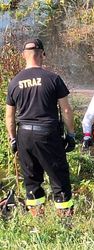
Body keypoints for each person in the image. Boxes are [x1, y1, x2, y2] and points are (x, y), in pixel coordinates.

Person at [5, 38, 76, 217]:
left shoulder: (14, 82)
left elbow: (10, 117)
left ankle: (37, 218)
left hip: (24, 136)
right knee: (59, 178)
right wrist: (71, 135)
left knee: (32, 181)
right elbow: (66, 109)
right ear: (43, 54)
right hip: (48, 135)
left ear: (24, 56)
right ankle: (65, 221)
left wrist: (13, 139)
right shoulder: (53, 79)